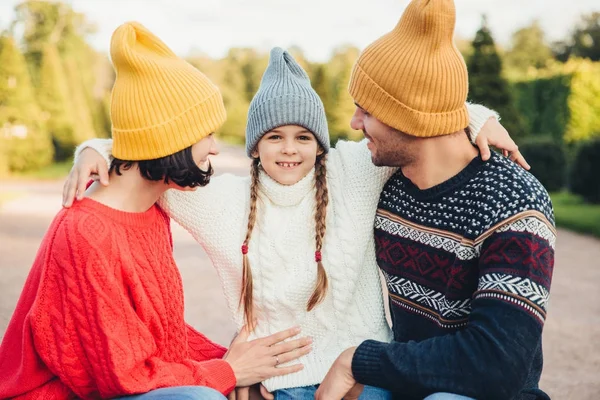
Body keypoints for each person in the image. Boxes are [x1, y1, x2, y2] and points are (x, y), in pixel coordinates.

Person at [63, 46, 522, 399]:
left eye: (303, 136)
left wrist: (475, 118)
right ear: (254, 146)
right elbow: (151, 152)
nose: (289, 149)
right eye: (274, 137)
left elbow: (416, 122)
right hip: (276, 380)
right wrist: (96, 149)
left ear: (320, 143)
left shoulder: (353, 172)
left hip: (365, 377)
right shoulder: (217, 199)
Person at [0, 23, 311, 400]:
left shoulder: (151, 208)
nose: (214, 148)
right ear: (169, 140)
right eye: (206, 134)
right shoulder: (85, 231)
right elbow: (123, 373)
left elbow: (160, 339)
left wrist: (237, 364)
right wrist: (226, 371)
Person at [315, 1, 556, 399]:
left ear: (411, 119)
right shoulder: (382, 177)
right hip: (406, 385)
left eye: (366, 111)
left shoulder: (513, 202)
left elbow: (497, 364)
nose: (355, 123)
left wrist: (358, 360)